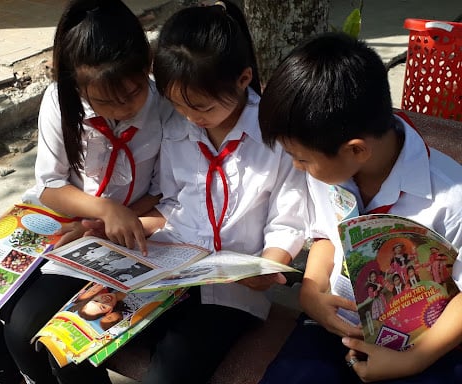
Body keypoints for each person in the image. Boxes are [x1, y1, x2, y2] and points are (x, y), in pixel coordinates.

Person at [56, 2, 307, 383]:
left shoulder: (275, 138)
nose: (191, 117)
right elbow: (172, 202)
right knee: (69, 345)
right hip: (168, 271)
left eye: (201, 106)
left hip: (231, 290)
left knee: (169, 371)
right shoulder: (179, 126)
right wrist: (122, 227)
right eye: (177, 105)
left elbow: (287, 219)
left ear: (243, 79)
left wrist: (267, 266)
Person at [0, 1, 173, 383]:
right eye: (105, 100)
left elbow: (163, 189)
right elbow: (51, 186)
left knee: (28, 332)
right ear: (77, 84)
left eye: (132, 93)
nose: (121, 108)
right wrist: (102, 210)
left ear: (147, 64)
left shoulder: (164, 107)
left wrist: (109, 220)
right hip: (59, 219)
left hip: (118, 232)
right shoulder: (60, 101)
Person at [257, 32, 462, 383]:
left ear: (356, 150)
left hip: (425, 340)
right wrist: (311, 291)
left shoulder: (451, 195)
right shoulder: (329, 168)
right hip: (337, 322)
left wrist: (413, 361)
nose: (296, 167)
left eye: (301, 158)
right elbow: (325, 236)